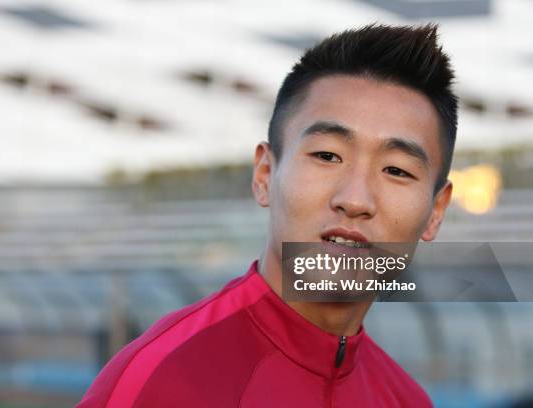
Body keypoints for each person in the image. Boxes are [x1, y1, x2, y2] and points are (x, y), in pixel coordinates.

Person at [77, 23, 456, 407]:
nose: (355, 199)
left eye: (396, 170)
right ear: (265, 175)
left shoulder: (405, 399)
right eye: (327, 155)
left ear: (435, 212)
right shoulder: (164, 380)